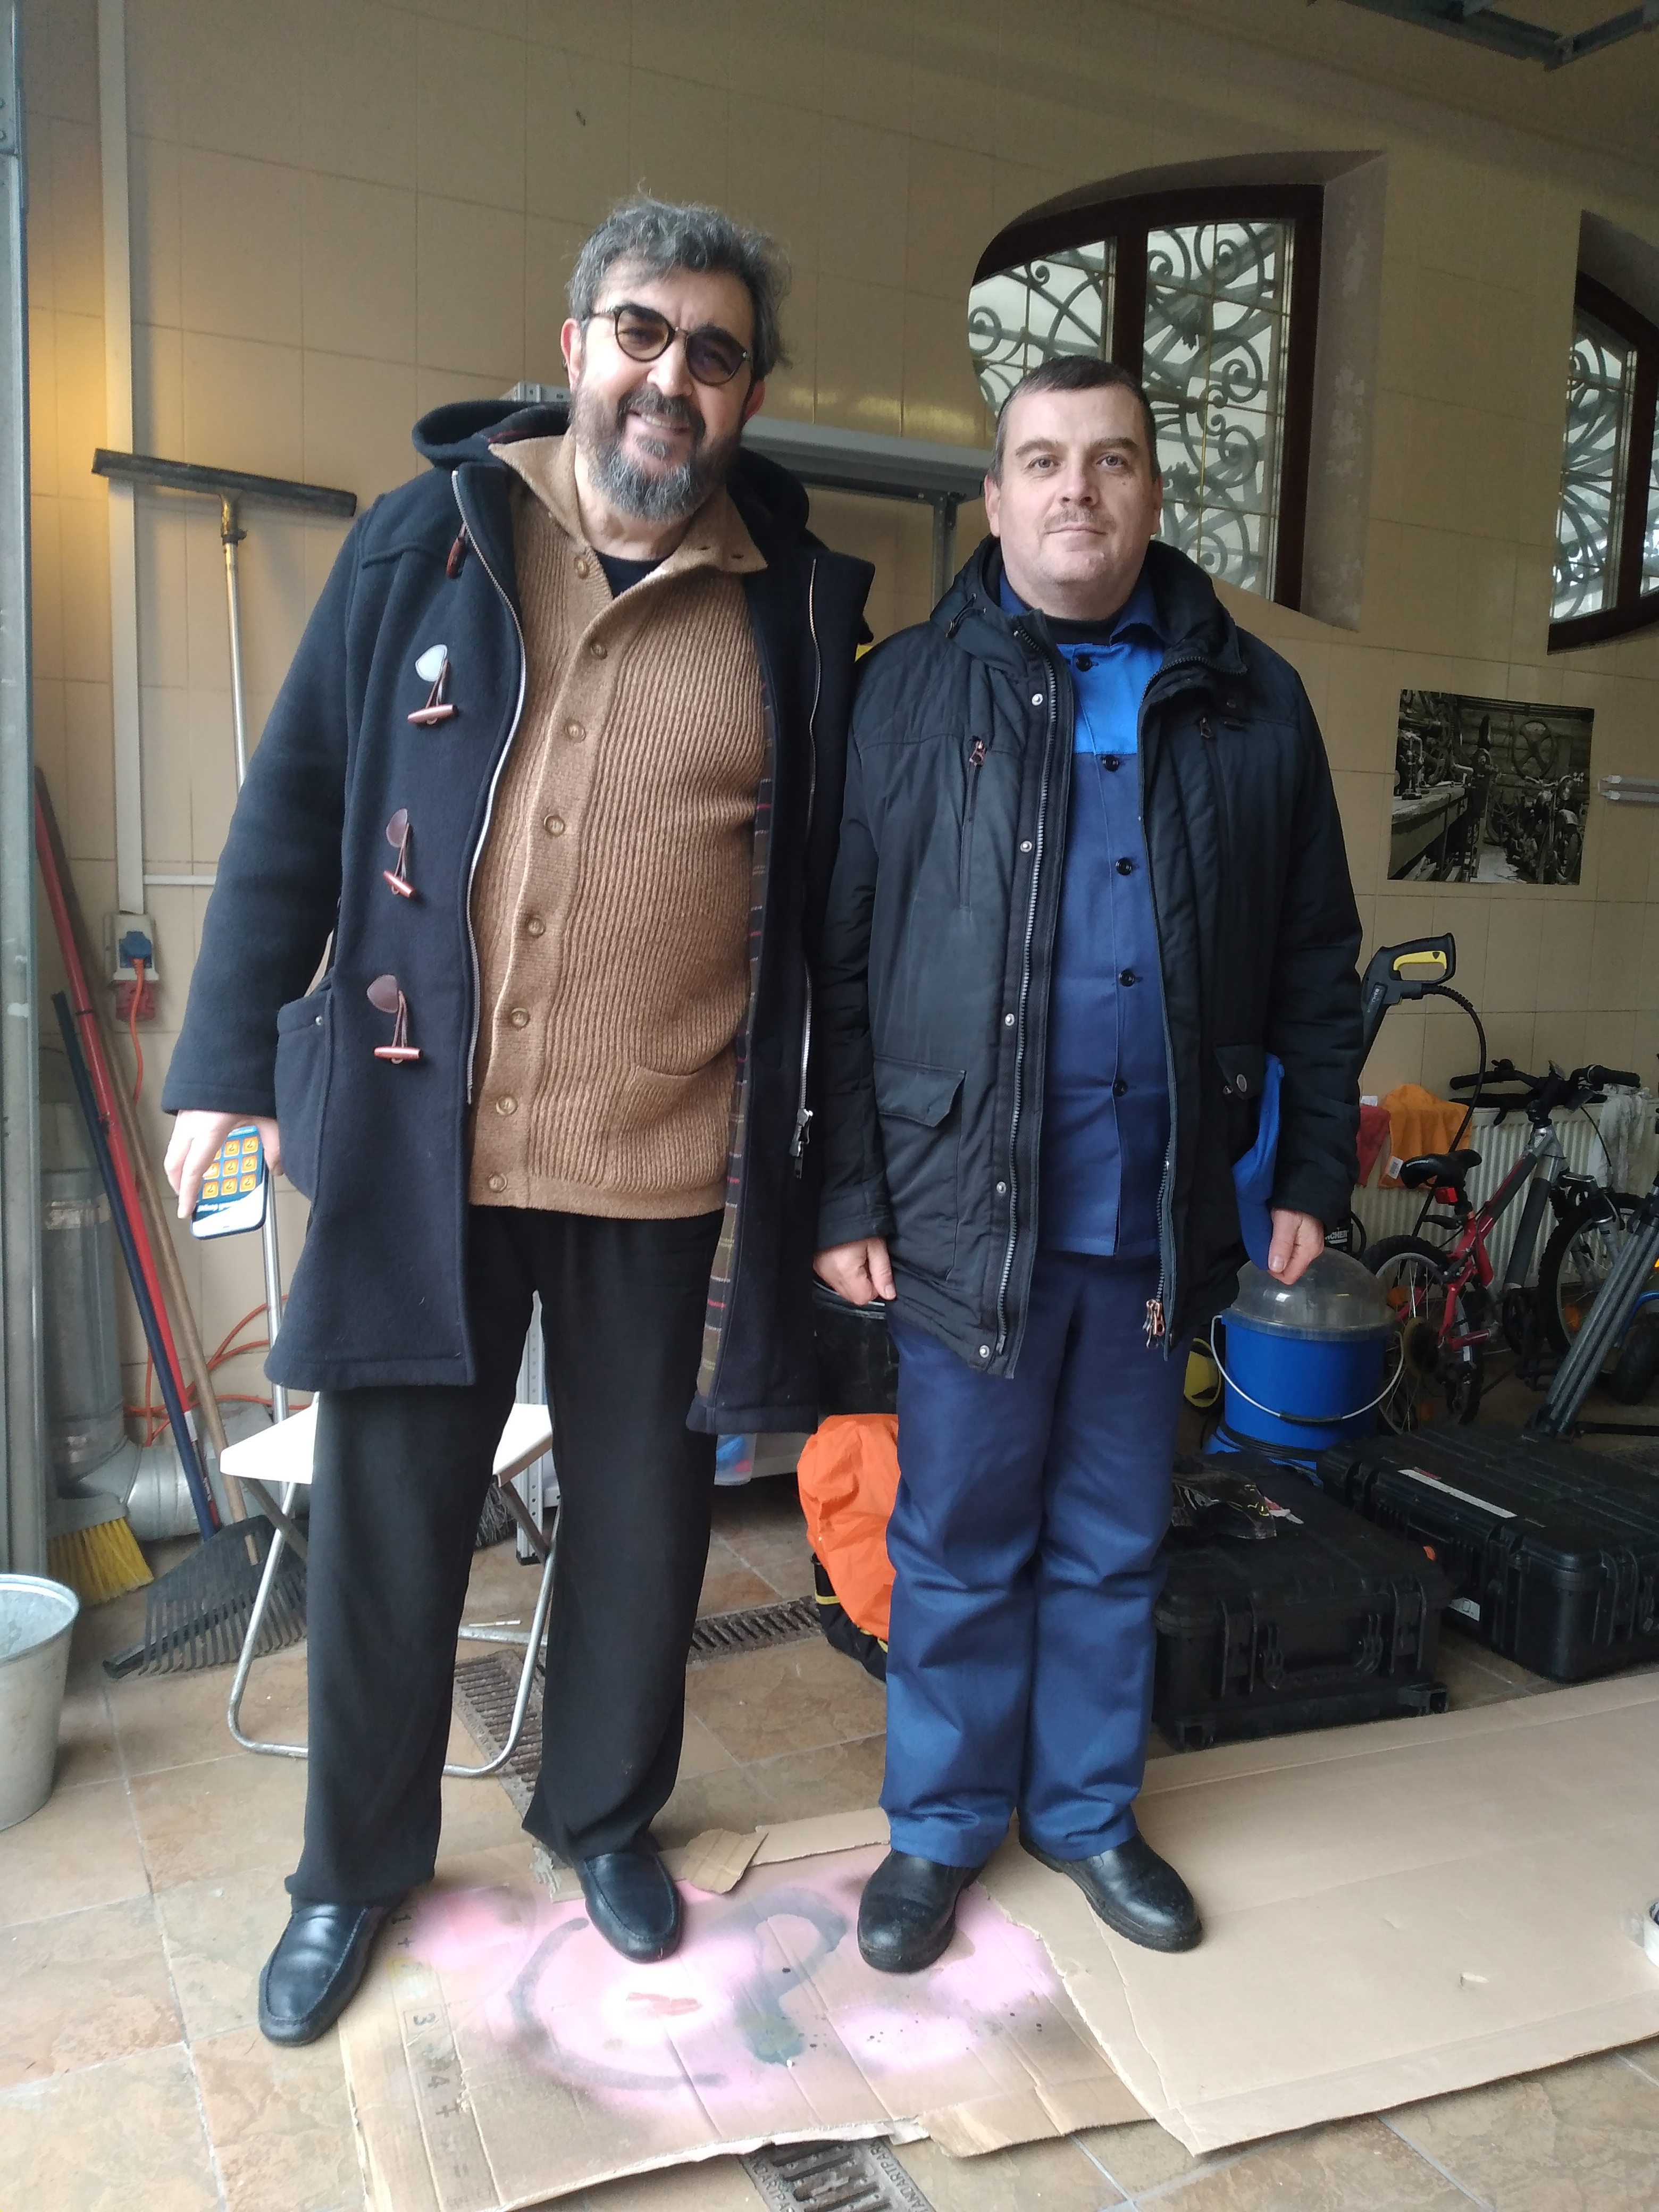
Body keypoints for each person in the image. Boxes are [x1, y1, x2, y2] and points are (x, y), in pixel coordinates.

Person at [162, 198, 871, 2043]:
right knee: (390, 1528)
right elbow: (294, 805)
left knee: (643, 1529)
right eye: (642, 331)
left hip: (666, 1165)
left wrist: (840, 1173)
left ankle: (604, 1821)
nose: (670, 376)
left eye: (714, 352)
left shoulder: (799, 607)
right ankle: (352, 1869)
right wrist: (224, 1064)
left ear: (749, 393)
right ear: (575, 347)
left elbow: (833, 923)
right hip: (429, 1148)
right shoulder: (429, 539)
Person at [813, 356, 1361, 1973]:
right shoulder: (907, 694)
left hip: (1154, 1209)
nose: (1077, 488)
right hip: (962, 1207)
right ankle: (938, 1829)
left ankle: (1086, 1813)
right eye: (1043, 460)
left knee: (1117, 1534)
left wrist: (1308, 1169)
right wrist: (847, 1190)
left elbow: (1316, 961)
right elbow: (839, 969)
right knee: (958, 1537)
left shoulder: (1254, 703)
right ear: (993, 500)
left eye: (1111, 459)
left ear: (1152, 494)